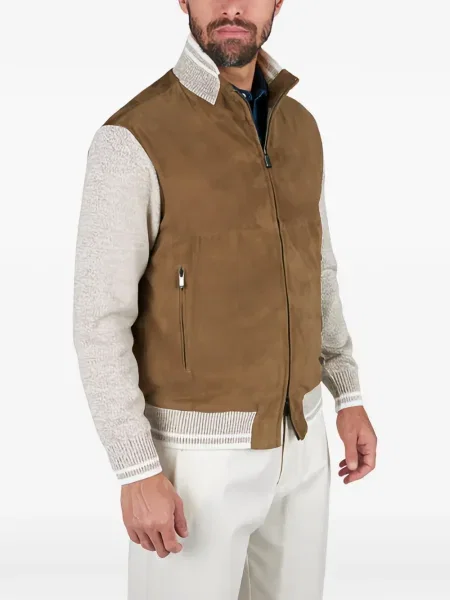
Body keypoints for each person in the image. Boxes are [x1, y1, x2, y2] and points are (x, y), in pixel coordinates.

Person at [72, 1, 377, 598]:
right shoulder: (132, 138)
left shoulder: (300, 127)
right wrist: (136, 468)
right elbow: (98, 319)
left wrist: (348, 392)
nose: (233, 6)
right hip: (194, 464)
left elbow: (318, 270)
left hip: (303, 441)